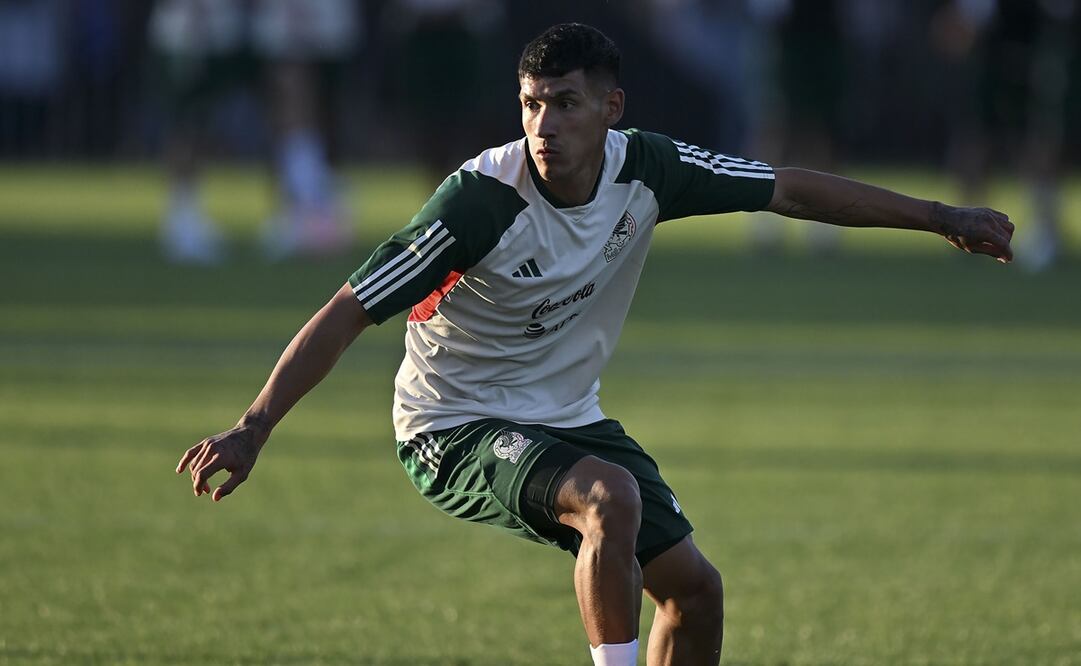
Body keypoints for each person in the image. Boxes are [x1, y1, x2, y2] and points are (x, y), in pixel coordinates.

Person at [176, 23, 1014, 666]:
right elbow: (350, 309)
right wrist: (254, 426)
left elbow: (785, 188)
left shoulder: (645, 167)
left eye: (565, 103)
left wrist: (939, 217)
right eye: (532, 103)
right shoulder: (477, 202)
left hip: (566, 416)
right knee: (608, 499)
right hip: (452, 425)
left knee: (693, 595)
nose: (544, 123)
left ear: (610, 109)